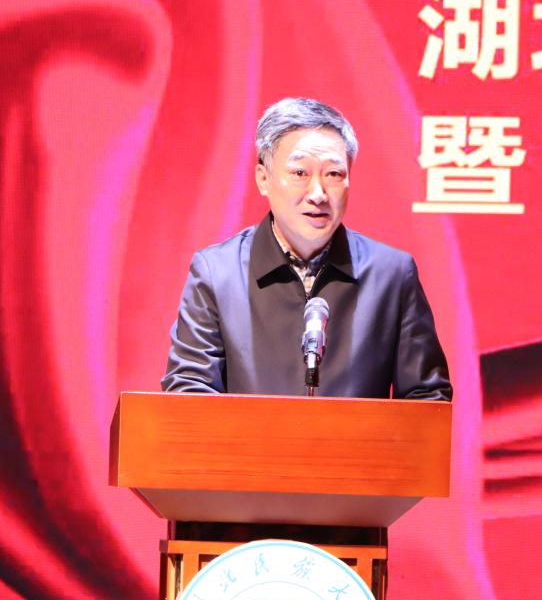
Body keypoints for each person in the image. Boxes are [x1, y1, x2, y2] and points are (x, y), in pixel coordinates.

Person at [161, 97, 451, 401]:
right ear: (263, 178)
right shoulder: (218, 273)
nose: (318, 194)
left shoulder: (391, 275)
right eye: (300, 173)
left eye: (334, 174)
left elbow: (427, 400)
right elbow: (188, 393)